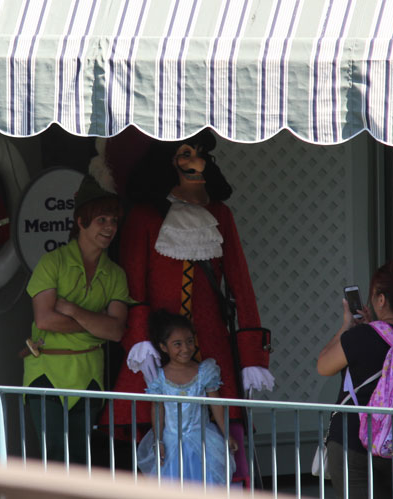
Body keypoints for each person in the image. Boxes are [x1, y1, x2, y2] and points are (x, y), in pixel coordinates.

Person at [107, 129, 273, 479]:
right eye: (186, 154)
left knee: (230, 438)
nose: (196, 163)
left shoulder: (221, 214)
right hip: (158, 346)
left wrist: (251, 356)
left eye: (200, 155)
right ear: (167, 162)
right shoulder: (143, 217)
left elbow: (241, 286)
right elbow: (133, 286)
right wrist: (139, 340)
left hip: (211, 346)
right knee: (154, 436)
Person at [22, 174, 131, 465]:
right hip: (47, 372)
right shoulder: (52, 262)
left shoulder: (116, 274)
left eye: (114, 221)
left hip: (90, 374)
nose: (109, 228)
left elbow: (117, 331)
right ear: (81, 222)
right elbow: (44, 319)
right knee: (55, 456)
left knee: (82, 458)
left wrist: (72, 310)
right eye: (102, 220)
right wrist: (96, 325)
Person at [316, 259, 393, 499]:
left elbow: (323, 366)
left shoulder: (361, 336)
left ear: (381, 300)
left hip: (354, 442)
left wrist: (346, 326)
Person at [136, 310, 238, 485]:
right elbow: (158, 408)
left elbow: (216, 404)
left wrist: (227, 433)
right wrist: (158, 440)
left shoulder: (204, 371)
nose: (186, 348)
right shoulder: (159, 378)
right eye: (177, 344)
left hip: (203, 442)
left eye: (190, 341)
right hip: (171, 443)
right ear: (163, 347)